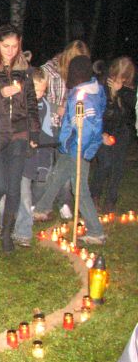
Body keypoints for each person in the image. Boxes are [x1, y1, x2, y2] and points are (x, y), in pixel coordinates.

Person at [33, 55, 106, 244]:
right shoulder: (90, 90)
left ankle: (96, 231)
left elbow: (87, 128)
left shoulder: (84, 97)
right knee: (58, 175)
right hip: (70, 147)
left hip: (79, 149)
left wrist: (77, 147)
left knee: (80, 190)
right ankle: (41, 208)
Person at [0, 25, 40, 252]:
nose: (10, 51)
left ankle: (6, 234)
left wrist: (34, 133)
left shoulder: (25, 70)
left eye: (15, 46)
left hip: (20, 133)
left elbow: (32, 102)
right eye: (6, 46)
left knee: (14, 188)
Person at [41, 40, 91, 220]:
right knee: (49, 168)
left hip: (69, 128)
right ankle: (41, 204)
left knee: (66, 167)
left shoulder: (80, 74)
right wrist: (57, 108)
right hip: (50, 125)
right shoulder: (49, 70)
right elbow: (37, 98)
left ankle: (63, 202)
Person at [11, 68, 54, 246]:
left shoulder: (44, 106)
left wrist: (44, 160)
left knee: (25, 194)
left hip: (30, 158)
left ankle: (23, 232)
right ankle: (7, 225)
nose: (40, 94)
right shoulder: (16, 104)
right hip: (14, 155)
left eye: (43, 90)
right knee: (10, 194)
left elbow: (47, 133)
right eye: (36, 90)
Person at [90, 57, 137, 214]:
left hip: (122, 131)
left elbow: (130, 114)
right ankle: (95, 195)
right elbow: (97, 112)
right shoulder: (102, 85)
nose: (120, 80)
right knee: (105, 163)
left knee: (117, 167)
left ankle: (111, 200)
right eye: (118, 75)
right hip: (104, 130)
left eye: (124, 77)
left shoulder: (129, 91)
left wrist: (120, 92)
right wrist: (101, 133)